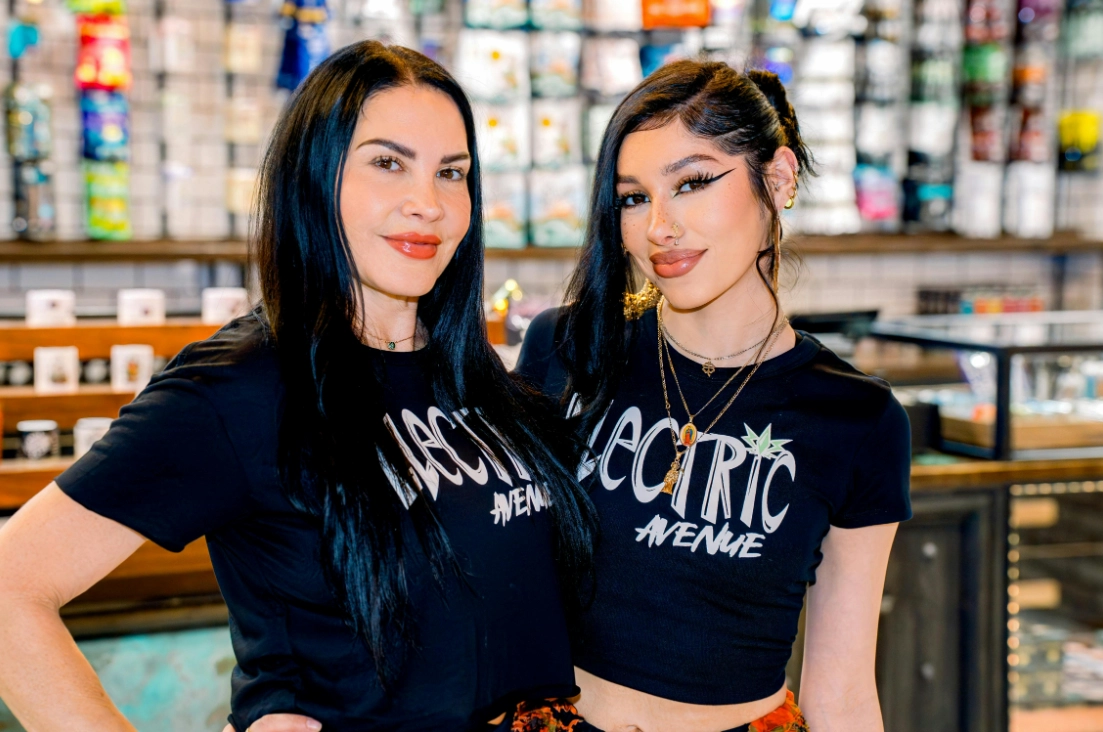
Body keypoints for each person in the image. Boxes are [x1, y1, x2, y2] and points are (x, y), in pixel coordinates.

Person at [242, 60, 911, 732]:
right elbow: (433, 542)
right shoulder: (566, 351)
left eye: (692, 183)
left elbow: (844, 693)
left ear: (779, 177)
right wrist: (275, 694)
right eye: (633, 198)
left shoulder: (856, 420)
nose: (659, 226)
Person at [0, 41, 596, 732]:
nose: (427, 203)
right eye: (387, 163)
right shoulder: (242, 387)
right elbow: (11, 587)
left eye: (451, 173)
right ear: (314, 178)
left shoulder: (472, 374)